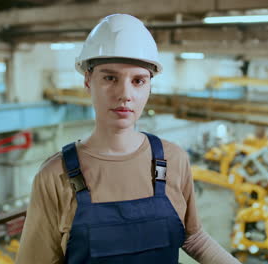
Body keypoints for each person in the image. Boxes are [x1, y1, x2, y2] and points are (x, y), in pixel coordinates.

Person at [16, 14, 241, 264]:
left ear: (150, 87)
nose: (125, 94)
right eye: (110, 78)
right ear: (88, 81)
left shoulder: (173, 160)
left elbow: (193, 237)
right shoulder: (55, 177)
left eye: (138, 81)